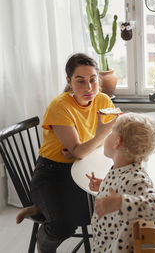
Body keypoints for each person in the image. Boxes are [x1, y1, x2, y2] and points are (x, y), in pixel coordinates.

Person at [17, 53, 118, 253]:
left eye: (93, 80)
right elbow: (86, 148)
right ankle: (43, 242)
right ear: (69, 81)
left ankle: (40, 208)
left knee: (101, 210)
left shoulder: (103, 100)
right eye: (80, 81)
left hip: (82, 168)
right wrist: (98, 137)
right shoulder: (60, 106)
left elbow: (105, 145)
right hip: (52, 173)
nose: (88, 88)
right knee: (64, 224)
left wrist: (83, 149)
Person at [87, 112, 155, 253]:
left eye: (111, 132)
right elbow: (122, 188)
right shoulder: (122, 170)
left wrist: (120, 203)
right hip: (104, 244)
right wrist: (103, 185)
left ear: (117, 142)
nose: (107, 136)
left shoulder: (136, 180)